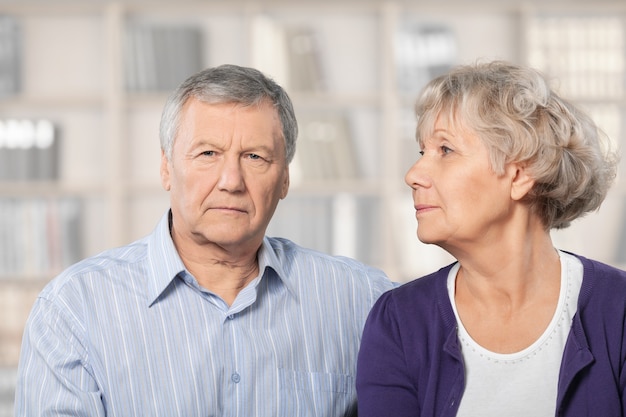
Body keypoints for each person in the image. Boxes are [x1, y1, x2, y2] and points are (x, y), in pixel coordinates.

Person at [15, 64, 394, 416]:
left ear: (284, 179)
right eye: (208, 153)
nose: (231, 180)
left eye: (255, 157)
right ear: (167, 167)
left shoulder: (364, 301)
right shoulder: (73, 310)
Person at [356, 60, 626, 416]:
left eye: (445, 150)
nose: (413, 174)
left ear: (519, 175)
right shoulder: (398, 322)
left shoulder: (618, 310)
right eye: (422, 152)